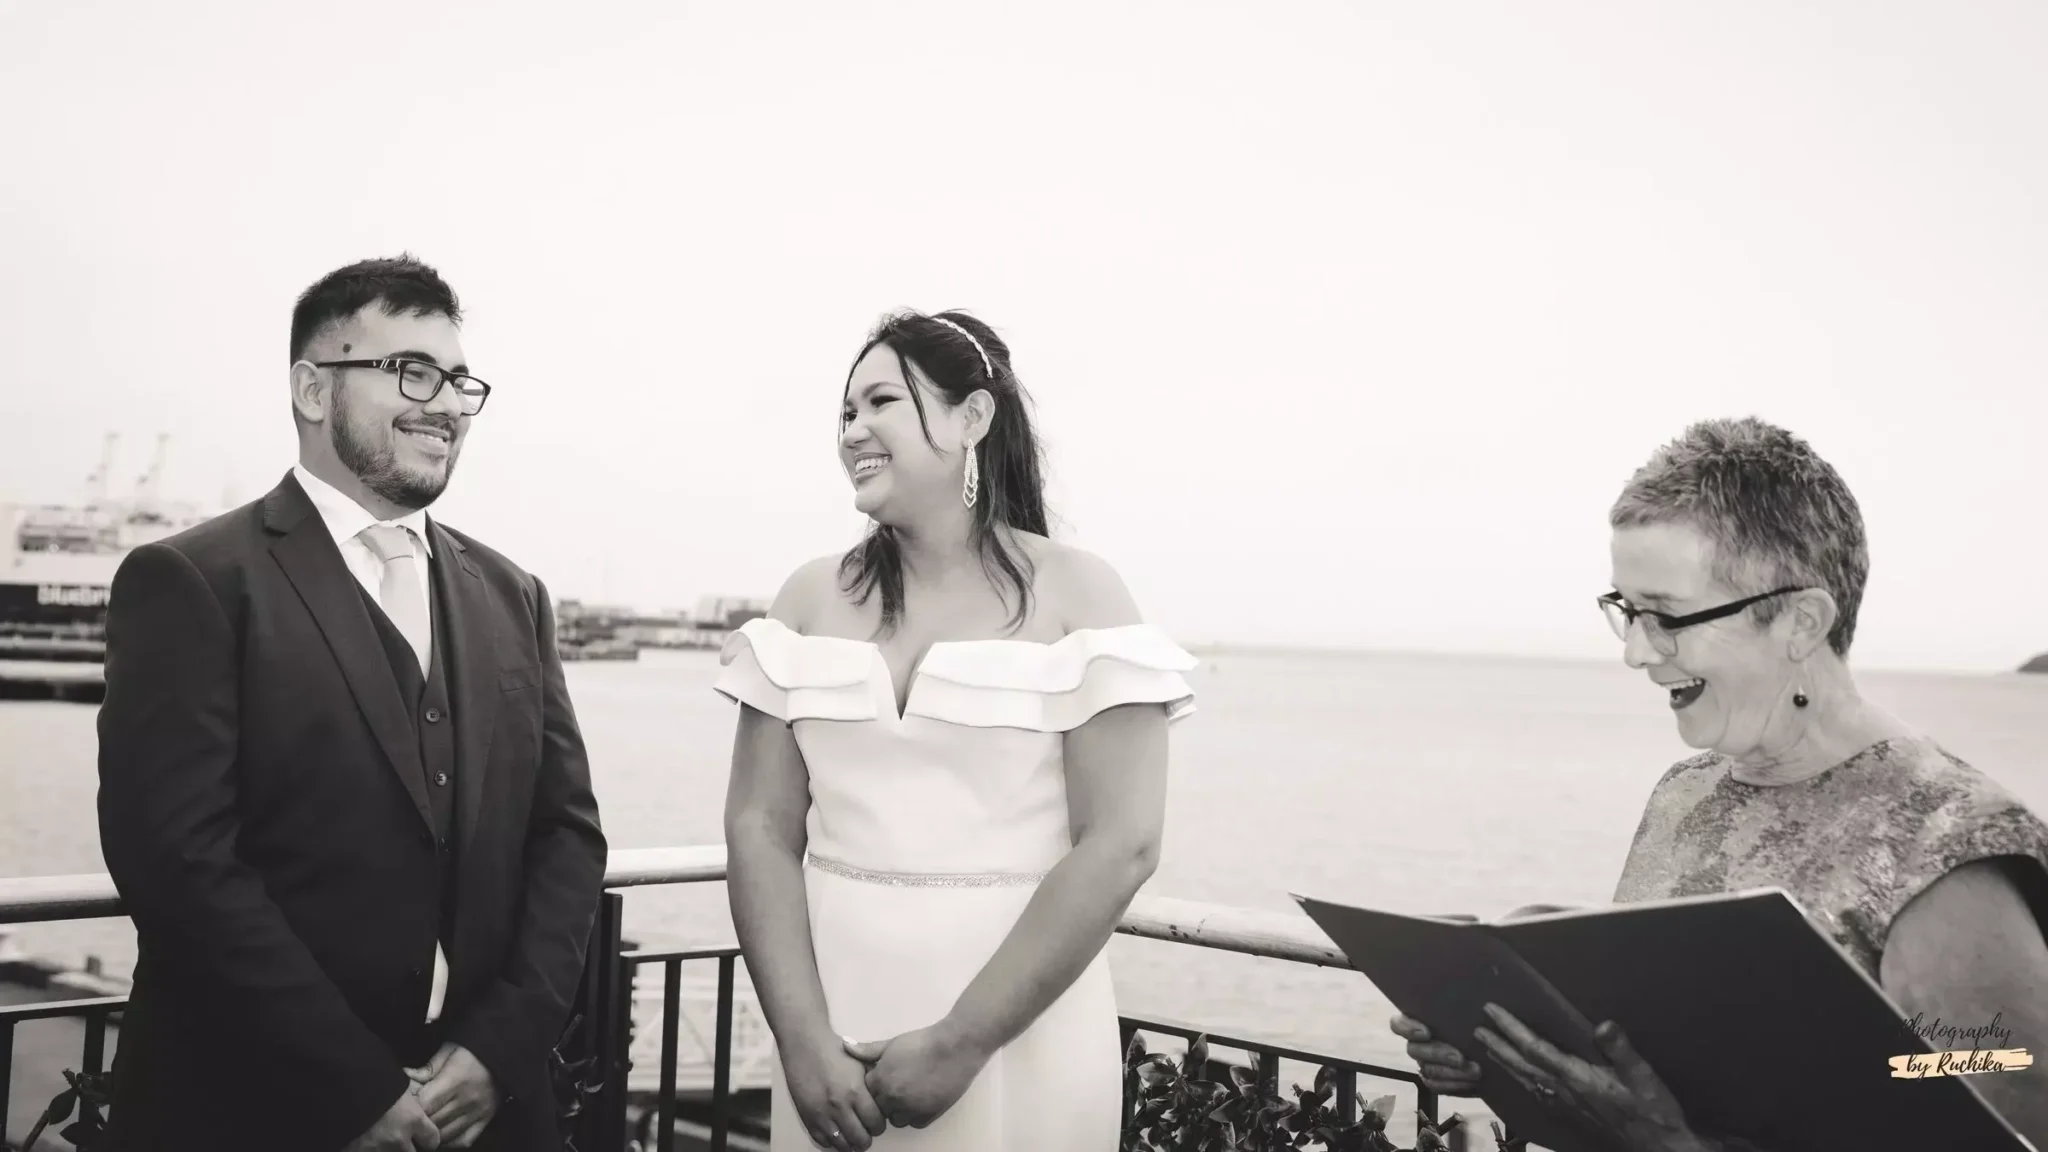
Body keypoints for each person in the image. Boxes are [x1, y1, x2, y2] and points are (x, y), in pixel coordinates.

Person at [1391, 416, 2048, 1150]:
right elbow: (1645, 1064)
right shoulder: (1685, 796)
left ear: (1800, 622)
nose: (1638, 652)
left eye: (1666, 616)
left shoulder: (1946, 840)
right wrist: (1503, 1055)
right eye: (1627, 611)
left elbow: (2002, 1106)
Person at [95, 255, 608, 1152]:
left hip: (488, 1115)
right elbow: (177, 862)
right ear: (311, 388)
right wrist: (353, 1086)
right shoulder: (190, 581)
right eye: (410, 370)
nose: (446, 402)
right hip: (253, 1110)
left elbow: (566, 836)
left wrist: (496, 1049)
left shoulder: (513, 593)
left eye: (459, 381)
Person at [718, 310, 1196, 1151]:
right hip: (830, 1045)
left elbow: (1121, 843)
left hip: (1015, 1038)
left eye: (880, 403)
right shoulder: (806, 598)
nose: (853, 430)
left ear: (973, 417)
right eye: (844, 412)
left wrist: (962, 1040)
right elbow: (758, 826)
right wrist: (799, 1042)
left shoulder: (1082, 596)